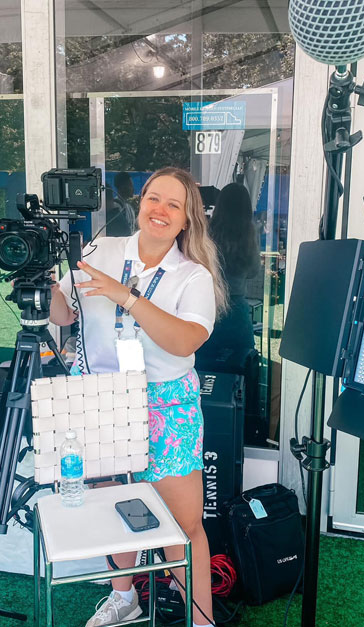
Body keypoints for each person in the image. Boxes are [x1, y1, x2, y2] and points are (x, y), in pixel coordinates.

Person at [50, 167, 227, 627]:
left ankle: (200, 619)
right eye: (153, 198)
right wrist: (40, 281)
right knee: (117, 509)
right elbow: (64, 315)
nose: (160, 210)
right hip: (103, 398)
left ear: (188, 219)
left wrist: (124, 296)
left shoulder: (194, 276)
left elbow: (184, 341)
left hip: (165, 404)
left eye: (174, 204)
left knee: (182, 526)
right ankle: (124, 598)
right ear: (140, 203)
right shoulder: (100, 251)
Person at [196, 182, 258, 369]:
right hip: (237, 310)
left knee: (204, 370)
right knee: (241, 369)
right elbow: (253, 271)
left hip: (208, 307)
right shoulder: (248, 234)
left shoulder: (206, 232)